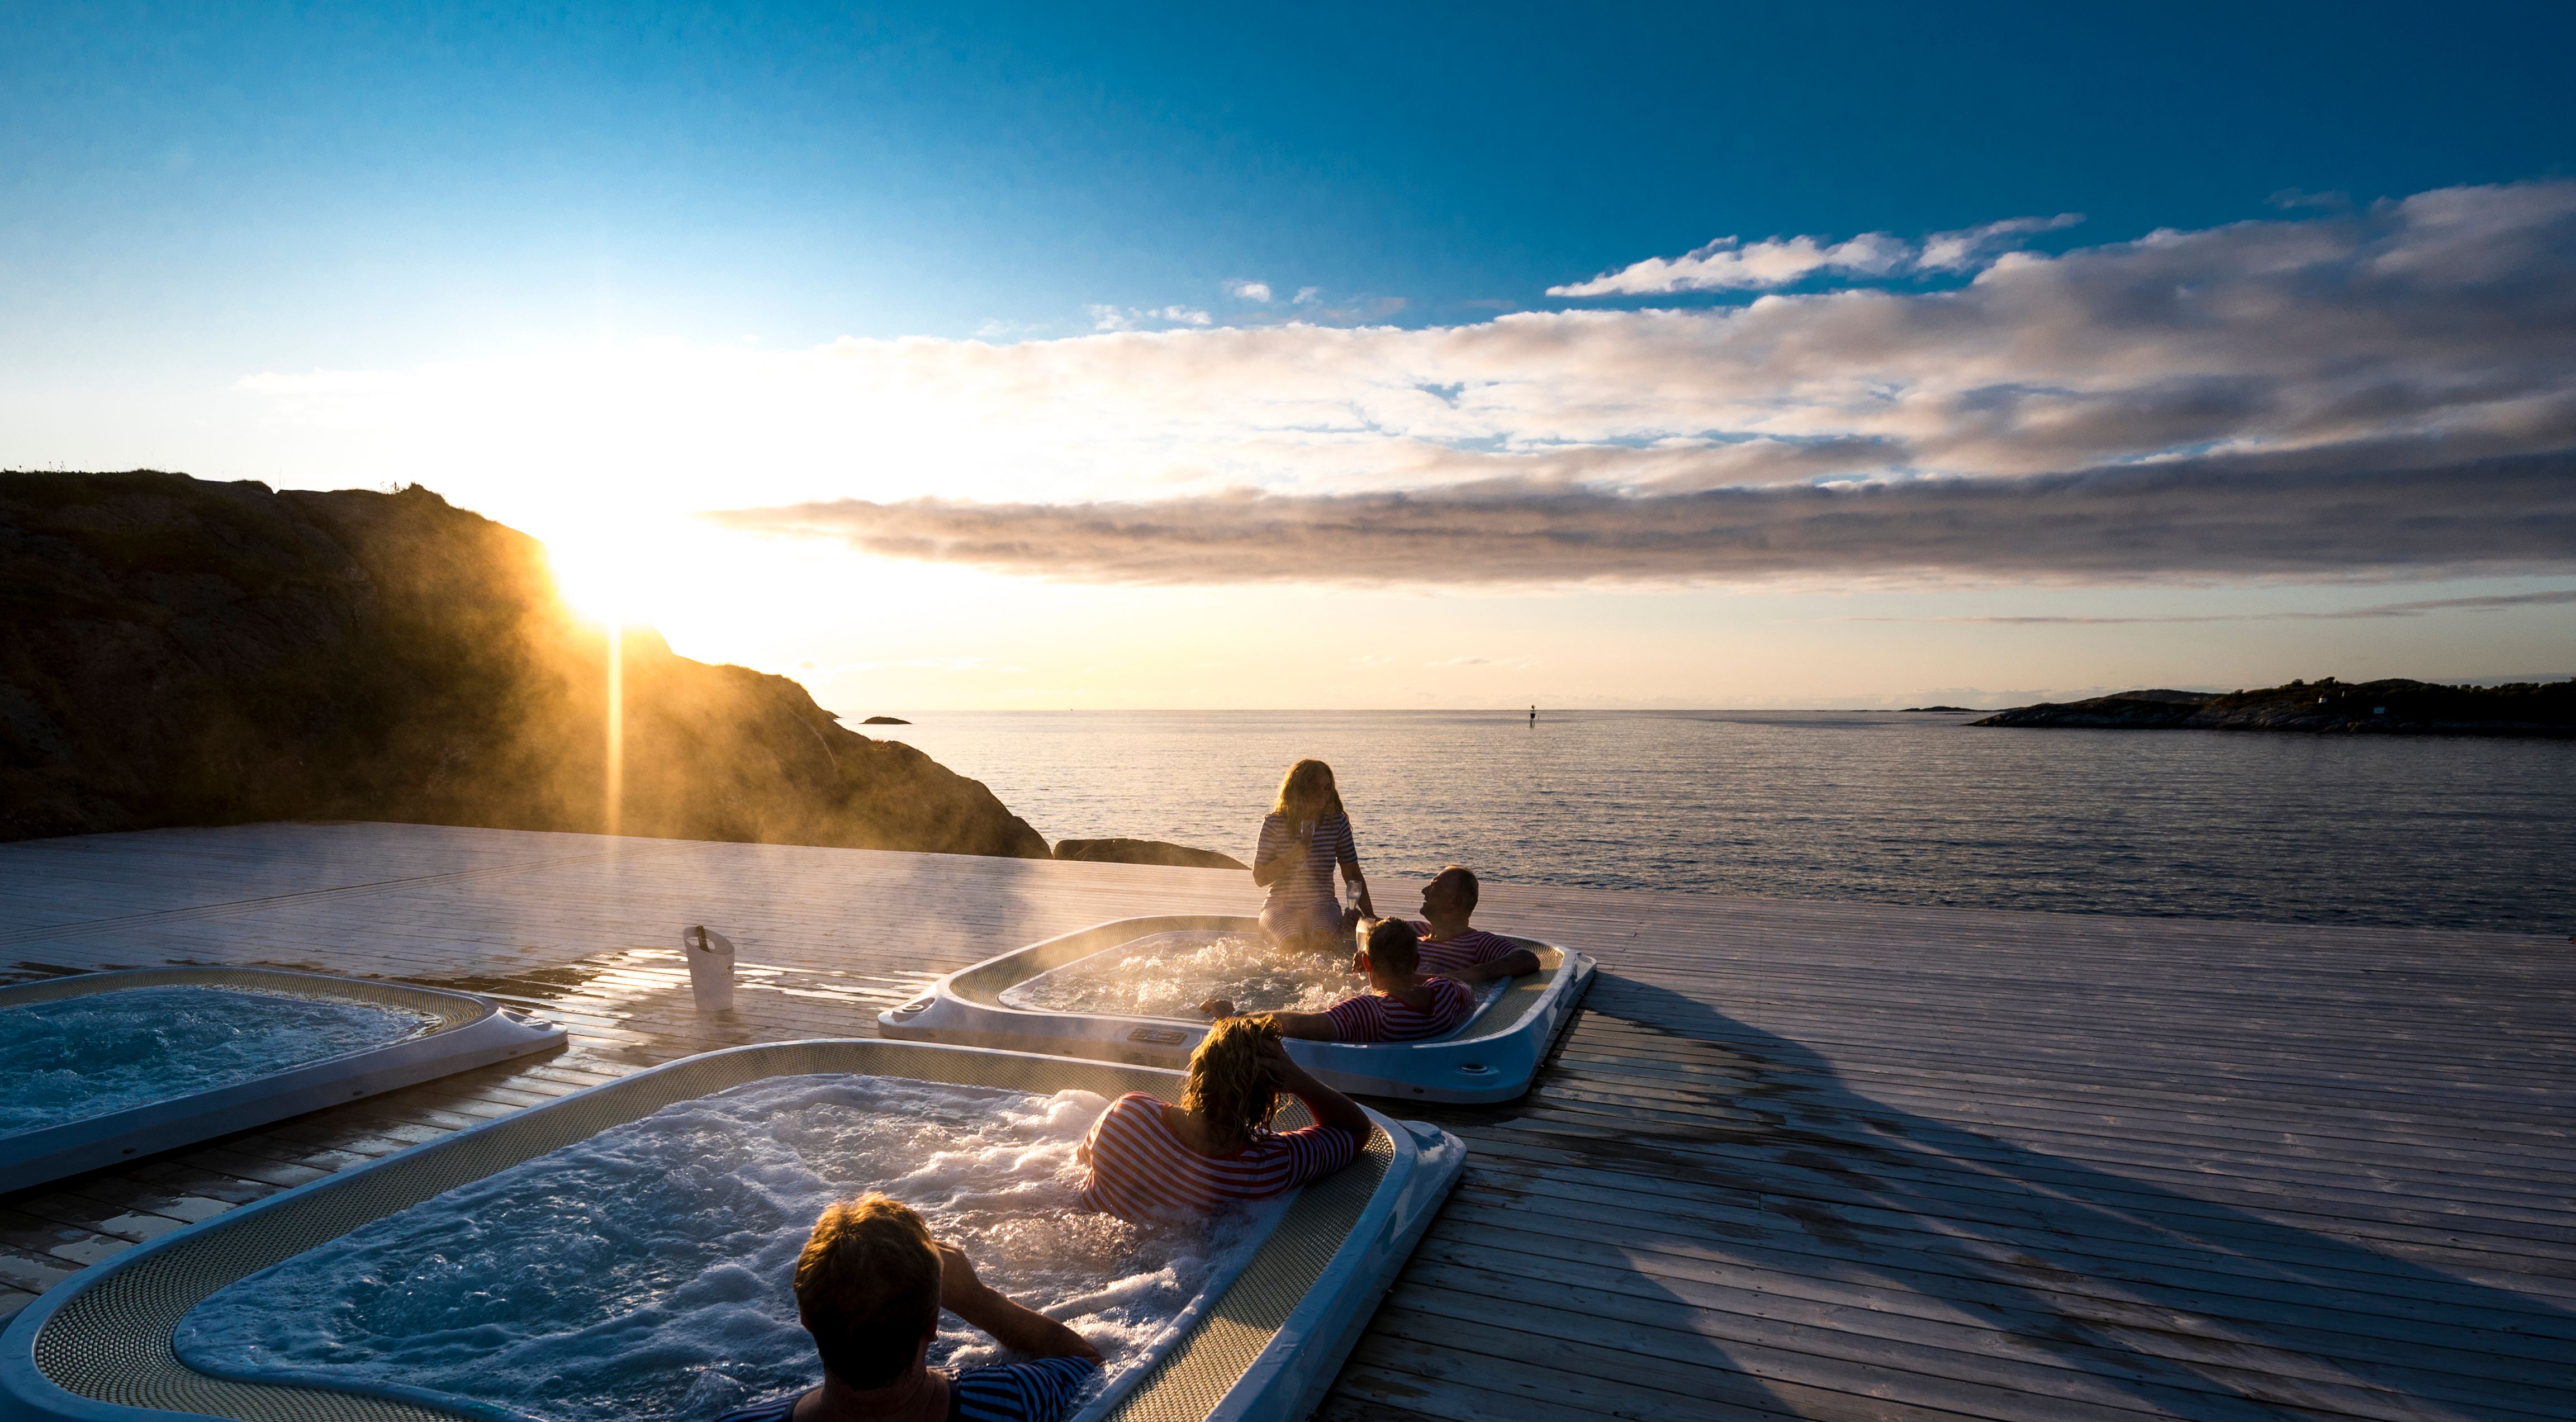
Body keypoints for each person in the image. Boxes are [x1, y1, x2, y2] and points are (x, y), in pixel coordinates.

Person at [713, 1194, 1101, 1422]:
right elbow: (1084, 1361)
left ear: (806, 1320)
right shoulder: (1014, 1401)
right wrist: (977, 1300)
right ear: (933, 1324)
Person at [1077, 1015, 1372, 1222]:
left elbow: (1082, 1158)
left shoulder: (1127, 1113)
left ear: (1198, 1069)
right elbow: (1356, 1129)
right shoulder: (1266, 1168)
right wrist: (1299, 1080)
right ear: (1269, 1096)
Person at [1205, 918, 1475, 1045]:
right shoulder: (1446, 994)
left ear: (1367, 964)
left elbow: (1301, 1024)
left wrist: (1236, 1016)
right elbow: (1462, 986)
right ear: (1416, 964)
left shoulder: (1372, 1011)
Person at [1251, 759, 1372, 951]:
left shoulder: (1336, 823)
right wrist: (1295, 853)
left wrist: (1370, 918)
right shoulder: (1274, 824)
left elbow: (1353, 874)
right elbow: (1260, 877)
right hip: (1279, 905)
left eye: (1327, 788)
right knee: (1292, 946)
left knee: (1322, 943)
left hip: (1323, 904)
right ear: (1298, 789)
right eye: (1315, 788)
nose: (1322, 795)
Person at [1407, 866, 1543, 984]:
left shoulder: (1478, 942)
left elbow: (1527, 959)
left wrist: (1454, 978)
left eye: (1434, 886)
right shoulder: (1414, 931)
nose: (1425, 891)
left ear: (1454, 902)